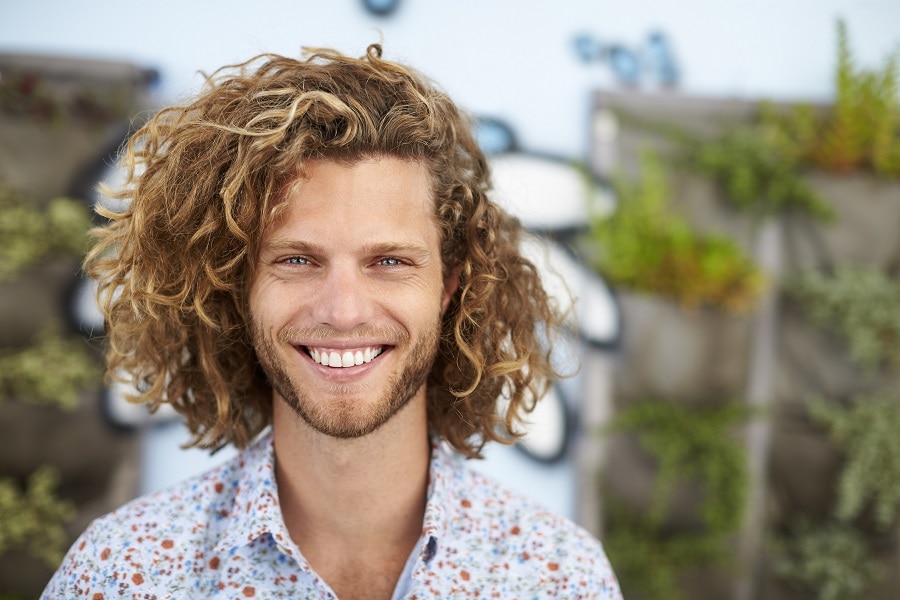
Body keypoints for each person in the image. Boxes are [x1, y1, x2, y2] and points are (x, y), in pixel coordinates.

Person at [43, 44, 622, 599]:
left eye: (389, 262)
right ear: (238, 287)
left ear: (449, 287)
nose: (343, 311)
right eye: (296, 260)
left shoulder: (559, 577)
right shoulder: (123, 573)